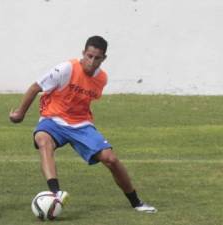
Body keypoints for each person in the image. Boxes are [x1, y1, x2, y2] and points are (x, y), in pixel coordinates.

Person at [9, 36, 157, 213]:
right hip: (53, 119)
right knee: (43, 140)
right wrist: (19, 113)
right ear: (83, 53)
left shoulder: (102, 79)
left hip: (81, 124)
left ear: (104, 58)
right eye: (89, 56)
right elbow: (35, 87)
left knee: (111, 159)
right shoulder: (66, 69)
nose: (92, 62)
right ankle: (56, 194)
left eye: (97, 58)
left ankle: (136, 202)